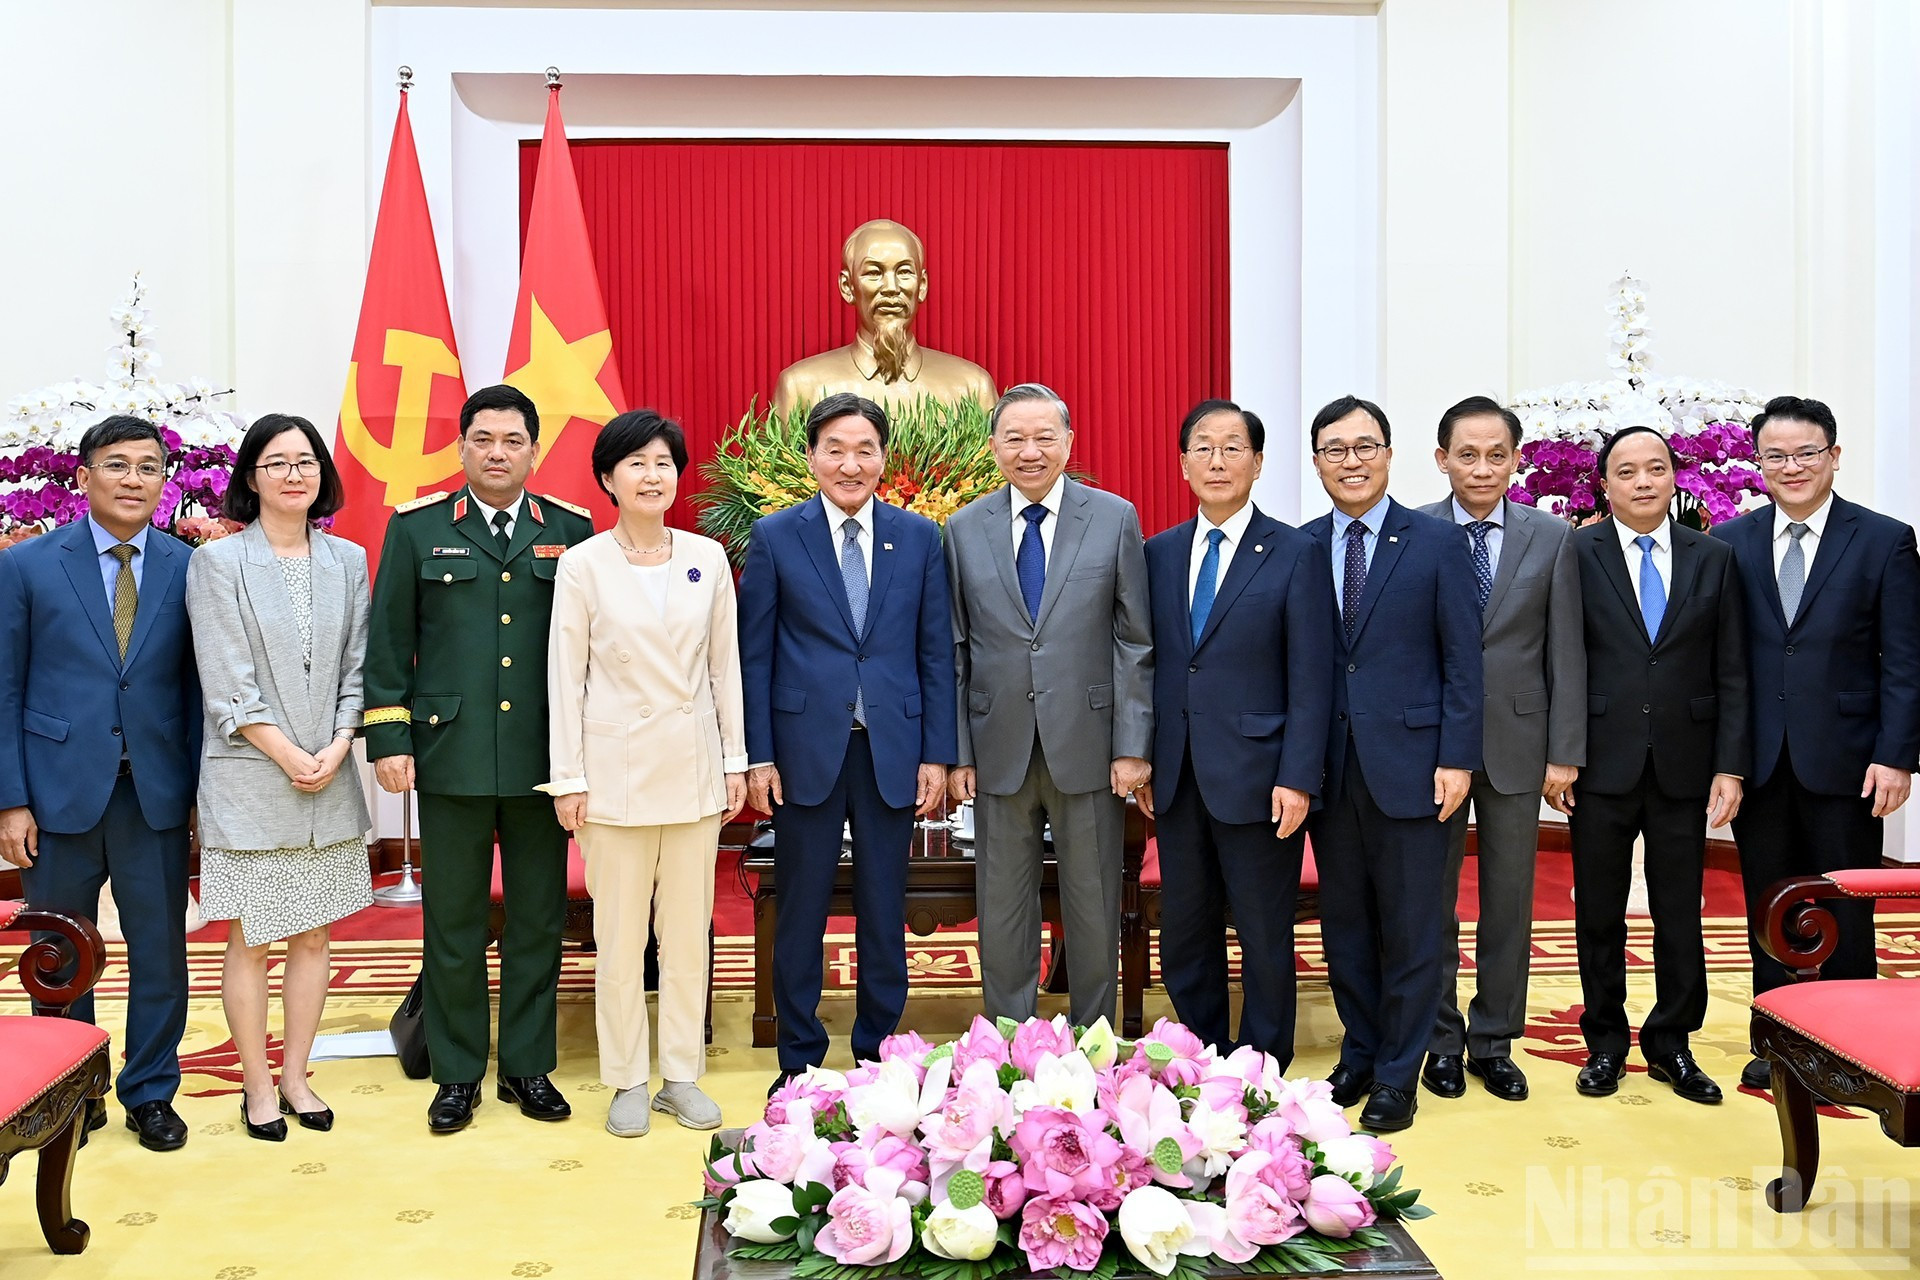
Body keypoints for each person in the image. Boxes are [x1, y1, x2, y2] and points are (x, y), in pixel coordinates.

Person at [364, 384, 595, 1134]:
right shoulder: (418, 528)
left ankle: (528, 1066)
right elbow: (390, 645)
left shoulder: (572, 529)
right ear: (462, 447)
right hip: (451, 754)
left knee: (537, 918)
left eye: (513, 440)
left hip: (542, 758)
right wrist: (391, 740)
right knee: (453, 921)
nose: (498, 452)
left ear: (534, 449)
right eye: (484, 439)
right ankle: (458, 1072)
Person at [738, 391, 957, 1089]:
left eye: (865, 449)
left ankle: (877, 1054)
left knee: (883, 904)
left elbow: (935, 652)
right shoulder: (777, 535)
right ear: (811, 458)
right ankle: (798, 1057)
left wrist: (937, 753)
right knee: (800, 905)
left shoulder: (920, 537)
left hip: (891, 747)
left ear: (883, 458)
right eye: (835, 449)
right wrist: (758, 754)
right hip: (804, 749)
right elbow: (756, 653)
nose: (850, 463)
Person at [542, 410, 747, 1137]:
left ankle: (682, 1074)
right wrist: (567, 777)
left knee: (689, 934)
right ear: (608, 477)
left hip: (692, 769)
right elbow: (564, 677)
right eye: (636, 463)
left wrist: (734, 762)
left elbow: (726, 668)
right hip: (613, 774)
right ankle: (628, 1077)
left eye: (664, 462)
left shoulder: (706, 557)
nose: (652, 474)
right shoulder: (583, 563)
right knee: (621, 938)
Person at [0, 415, 200, 1151]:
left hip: (153, 792)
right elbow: (6, 689)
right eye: (117, 466)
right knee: (59, 952)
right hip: (54, 796)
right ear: (83, 478)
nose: (134, 480)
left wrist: (202, 797)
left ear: (163, 481)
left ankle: (150, 1090)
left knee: (159, 950)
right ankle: (68, 1091)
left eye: (149, 468)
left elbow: (196, 691)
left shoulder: (187, 567)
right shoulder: (26, 566)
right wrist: (10, 800)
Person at [1713, 396, 1920, 1092]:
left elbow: (1905, 658)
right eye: (1776, 455)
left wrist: (1897, 755)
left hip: (1850, 760)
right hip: (1761, 760)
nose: (1792, 467)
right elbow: (1728, 664)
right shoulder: (1732, 541)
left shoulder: (1884, 539)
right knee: (1769, 905)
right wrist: (1729, 763)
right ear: (1758, 462)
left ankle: (1852, 1050)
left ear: (1834, 455)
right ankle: (1775, 1042)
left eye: (1807, 453)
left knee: (1843, 902)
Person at [185, 413, 371, 1141]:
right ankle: (257, 1087)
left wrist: (339, 743)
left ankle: (297, 1076)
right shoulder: (220, 564)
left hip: (330, 771)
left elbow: (359, 667)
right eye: (276, 462)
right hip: (252, 775)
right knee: (252, 939)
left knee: (315, 938)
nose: (294, 474)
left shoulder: (348, 559)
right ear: (250, 478)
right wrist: (291, 754)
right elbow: (225, 682)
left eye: (305, 461)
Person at [945, 384, 1152, 1028]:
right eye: (1015, 438)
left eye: (1044, 438)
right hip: (996, 746)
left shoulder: (1114, 518)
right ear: (994, 446)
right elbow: (955, 648)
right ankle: (1007, 1044)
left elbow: (1134, 641)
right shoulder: (962, 528)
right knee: (1003, 908)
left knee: (1093, 904)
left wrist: (1131, 746)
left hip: (1089, 745)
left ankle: (1095, 1041)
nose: (1030, 451)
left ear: (1069, 443)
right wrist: (956, 754)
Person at [1303, 395, 1482, 1133]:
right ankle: (1362, 1047)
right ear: (1316, 461)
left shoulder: (1437, 544)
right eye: (1335, 449)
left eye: (1364, 446)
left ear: (1388, 454)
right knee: (1343, 924)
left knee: (1412, 928)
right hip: (1330, 771)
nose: (1351, 460)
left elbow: (1463, 663)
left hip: (1417, 767)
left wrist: (1458, 759)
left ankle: (1399, 1074)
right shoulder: (1302, 546)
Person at [1141, 399, 1333, 1066]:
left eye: (1231, 448)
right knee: (1186, 930)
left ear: (1257, 462)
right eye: (1202, 447)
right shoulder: (1158, 554)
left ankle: (1261, 1066)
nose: (1216, 460)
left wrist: (1299, 776)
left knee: (1263, 931)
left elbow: (1313, 675)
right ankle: (1199, 1056)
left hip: (1261, 775)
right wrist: (1143, 760)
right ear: (1183, 463)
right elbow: (1151, 665)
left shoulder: (1295, 551)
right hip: (1179, 773)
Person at [1569, 425, 1748, 1105]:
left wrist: (1730, 766)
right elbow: (1564, 657)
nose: (1642, 482)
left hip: (1686, 762)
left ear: (1675, 476)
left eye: (1654, 469)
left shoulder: (1714, 556)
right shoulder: (1576, 552)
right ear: (1605, 484)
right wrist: (1564, 754)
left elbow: (1732, 668)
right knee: (1599, 913)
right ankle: (1605, 1042)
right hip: (1599, 761)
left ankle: (1673, 1040)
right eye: (1626, 471)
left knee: (1680, 910)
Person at [1418, 396, 1586, 1105]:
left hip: (1521, 741)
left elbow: (1567, 648)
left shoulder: (1552, 536)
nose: (1482, 468)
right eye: (1467, 454)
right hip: (1435, 748)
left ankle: (1494, 1041)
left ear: (1516, 460)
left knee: (1510, 900)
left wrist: (1565, 751)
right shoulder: (1415, 532)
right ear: (1442, 459)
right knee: (1431, 900)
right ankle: (1441, 1041)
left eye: (1496, 455)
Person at [771, 219, 997, 415]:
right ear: (847, 287)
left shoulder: (972, 387)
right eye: (874, 273)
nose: (891, 288)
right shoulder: (800, 388)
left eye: (904, 272)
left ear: (922, 286)